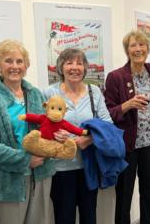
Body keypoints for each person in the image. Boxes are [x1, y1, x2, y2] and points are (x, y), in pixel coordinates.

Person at [0, 39, 55, 224]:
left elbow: (46, 128)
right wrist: (25, 160)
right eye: (8, 61)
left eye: (20, 61)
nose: (15, 66)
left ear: (26, 65)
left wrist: (57, 137)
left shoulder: (35, 94)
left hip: (40, 175)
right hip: (6, 181)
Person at [44, 48, 113, 224]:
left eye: (79, 63)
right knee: (63, 218)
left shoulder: (94, 92)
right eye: (69, 63)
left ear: (85, 68)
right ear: (61, 67)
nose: (75, 67)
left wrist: (89, 139)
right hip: (60, 169)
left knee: (89, 217)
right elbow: (40, 129)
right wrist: (53, 136)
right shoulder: (49, 94)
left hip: (88, 166)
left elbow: (108, 125)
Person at [104, 30, 150, 224]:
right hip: (127, 145)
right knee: (124, 193)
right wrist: (127, 105)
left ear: (147, 48)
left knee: (148, 190)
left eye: (142, 45)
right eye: (133, 45)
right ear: (127, 50)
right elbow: (107, 112)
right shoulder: (116, 77)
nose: (138, 49)